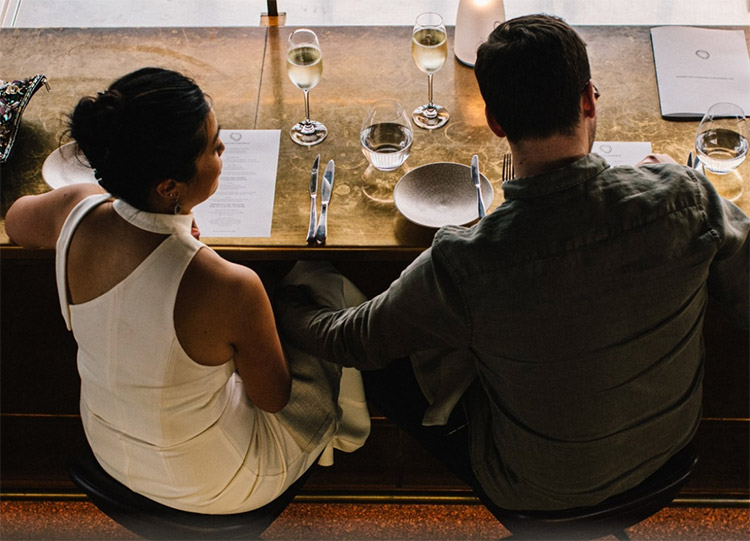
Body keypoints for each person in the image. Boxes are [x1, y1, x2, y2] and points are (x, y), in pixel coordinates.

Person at [276, 14, 750, 515]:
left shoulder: (468, 260)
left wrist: (280, 302)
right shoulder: (686, 199)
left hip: (537, 491)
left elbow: (349, 340)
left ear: (495, 121)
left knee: (398, 364)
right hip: (667, 453)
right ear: (588, 98)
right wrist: (668, 182)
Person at [5, 67, 368, 515]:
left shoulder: (74, 210)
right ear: (169, 187)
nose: (223, 152)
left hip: (109, 448)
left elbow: (17, 221)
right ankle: (344, 440)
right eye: (216, 148)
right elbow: (273, 398)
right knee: (327, 298)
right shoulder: (227, 285)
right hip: (216, 483)